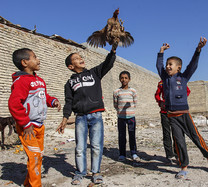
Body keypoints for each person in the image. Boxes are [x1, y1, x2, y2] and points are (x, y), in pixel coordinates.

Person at [156, 37, 208, 179]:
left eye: (171, 64)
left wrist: (198, 50)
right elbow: (159, 66)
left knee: (195, 137)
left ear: (178, 67)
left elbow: (193, 65)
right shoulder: (164, 79)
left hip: (184, 114)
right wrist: (161, 52)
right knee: (179, 141)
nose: (167, 66)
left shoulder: (183, 78)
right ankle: (183, 166)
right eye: (167, 64)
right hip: (172, 116)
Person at [56, 45, 117, 185]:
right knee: (80, 147)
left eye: (81, 57)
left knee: (96, 145)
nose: (81, 59)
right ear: (71, 66)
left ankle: (96, 172)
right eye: (76, 59)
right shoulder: (70, 83)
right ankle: (79, 173)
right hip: (80, 118)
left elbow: (108, 63)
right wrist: (65, 119)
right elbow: (68, 102)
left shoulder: (95, 73)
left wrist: (113, 50)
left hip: (96, 116)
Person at [8, 48, 61, 187]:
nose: (38, 60)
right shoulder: (21, 82)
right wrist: (25, 124)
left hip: (39, 125)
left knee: (37, 157)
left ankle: (28, 184)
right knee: (35, 157)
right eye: (34, 57)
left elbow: (44, 97)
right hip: (28, 128)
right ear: (25, 62)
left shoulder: (39, 80)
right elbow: (14, 105)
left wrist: (52, 101)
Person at [155, 80, 190, 164]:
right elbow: (157, 95)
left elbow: (187, 91)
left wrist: (179, 100)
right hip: (165, 112)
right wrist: (160, 102)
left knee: (177, 134)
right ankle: (169, 155)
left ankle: (178, 155)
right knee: (166, 134)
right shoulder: (161, 83)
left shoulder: (179, 81)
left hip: (176, 112)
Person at [113, 71, 140, 162]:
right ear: (119, 79)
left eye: (126, 78)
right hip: (121, 118)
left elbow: (135, 103)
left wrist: (130, 111)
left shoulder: (133, 91)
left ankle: (134, 153)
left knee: (132, 135)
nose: (124, 80)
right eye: (122, 78)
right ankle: (122, 154)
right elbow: (115, 104)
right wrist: (120, 112)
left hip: (131, 117)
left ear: (129, 79)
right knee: (121, 136)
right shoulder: (116, 92)